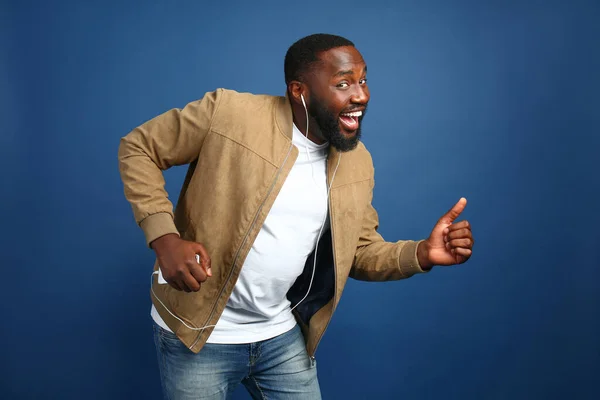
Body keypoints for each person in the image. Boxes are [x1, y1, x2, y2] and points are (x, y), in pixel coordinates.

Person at [118, 33, 474, 400]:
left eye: (363, 80)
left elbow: (358, 252)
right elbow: (138, 148)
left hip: (280, 335)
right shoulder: (228, 113)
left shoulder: (357, 162)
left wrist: (421, 254)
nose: (361, 95)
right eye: (343, 83)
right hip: (196, 333)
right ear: (299, 90)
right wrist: (165, 239)